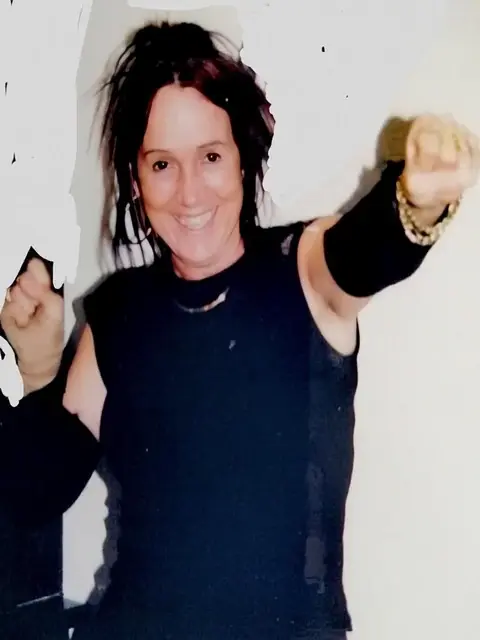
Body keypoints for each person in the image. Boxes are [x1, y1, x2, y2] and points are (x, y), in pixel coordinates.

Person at [0, 20, 478, 640]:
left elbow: (363, 251)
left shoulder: (300, 271)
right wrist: (40, 366)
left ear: (243, 158)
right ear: (136, 181)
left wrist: (416, 200)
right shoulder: (120, 311)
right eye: (162, 164)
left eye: (211, 157)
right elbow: (34, 492)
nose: (189, 192)